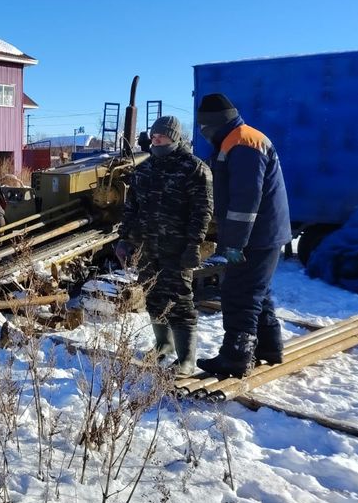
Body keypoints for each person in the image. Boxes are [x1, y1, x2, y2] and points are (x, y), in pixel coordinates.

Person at [194, 93, 292, 378]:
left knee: (239, 293)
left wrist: (235, 243)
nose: (202, 132)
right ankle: (269, 347)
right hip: (263, 233)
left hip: (255, 236)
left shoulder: (243, 142)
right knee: (257, 291)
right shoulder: (236, 139)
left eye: (204, 126)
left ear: (215, 122)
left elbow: (245, 201)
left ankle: (236, 356)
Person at [116, 116, 213, 376]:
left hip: (177, 248)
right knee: (153, 297)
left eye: (162, 137)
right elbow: (131, 208)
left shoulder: (193, 168)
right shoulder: (144, 170)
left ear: (175, 137)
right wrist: (124, 238)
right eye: (154, 137)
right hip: (147, 247)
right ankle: (163, 345)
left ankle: (186, 359)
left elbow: (202, 211)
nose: (156, 141)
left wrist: (194, 244)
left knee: (180, 301)